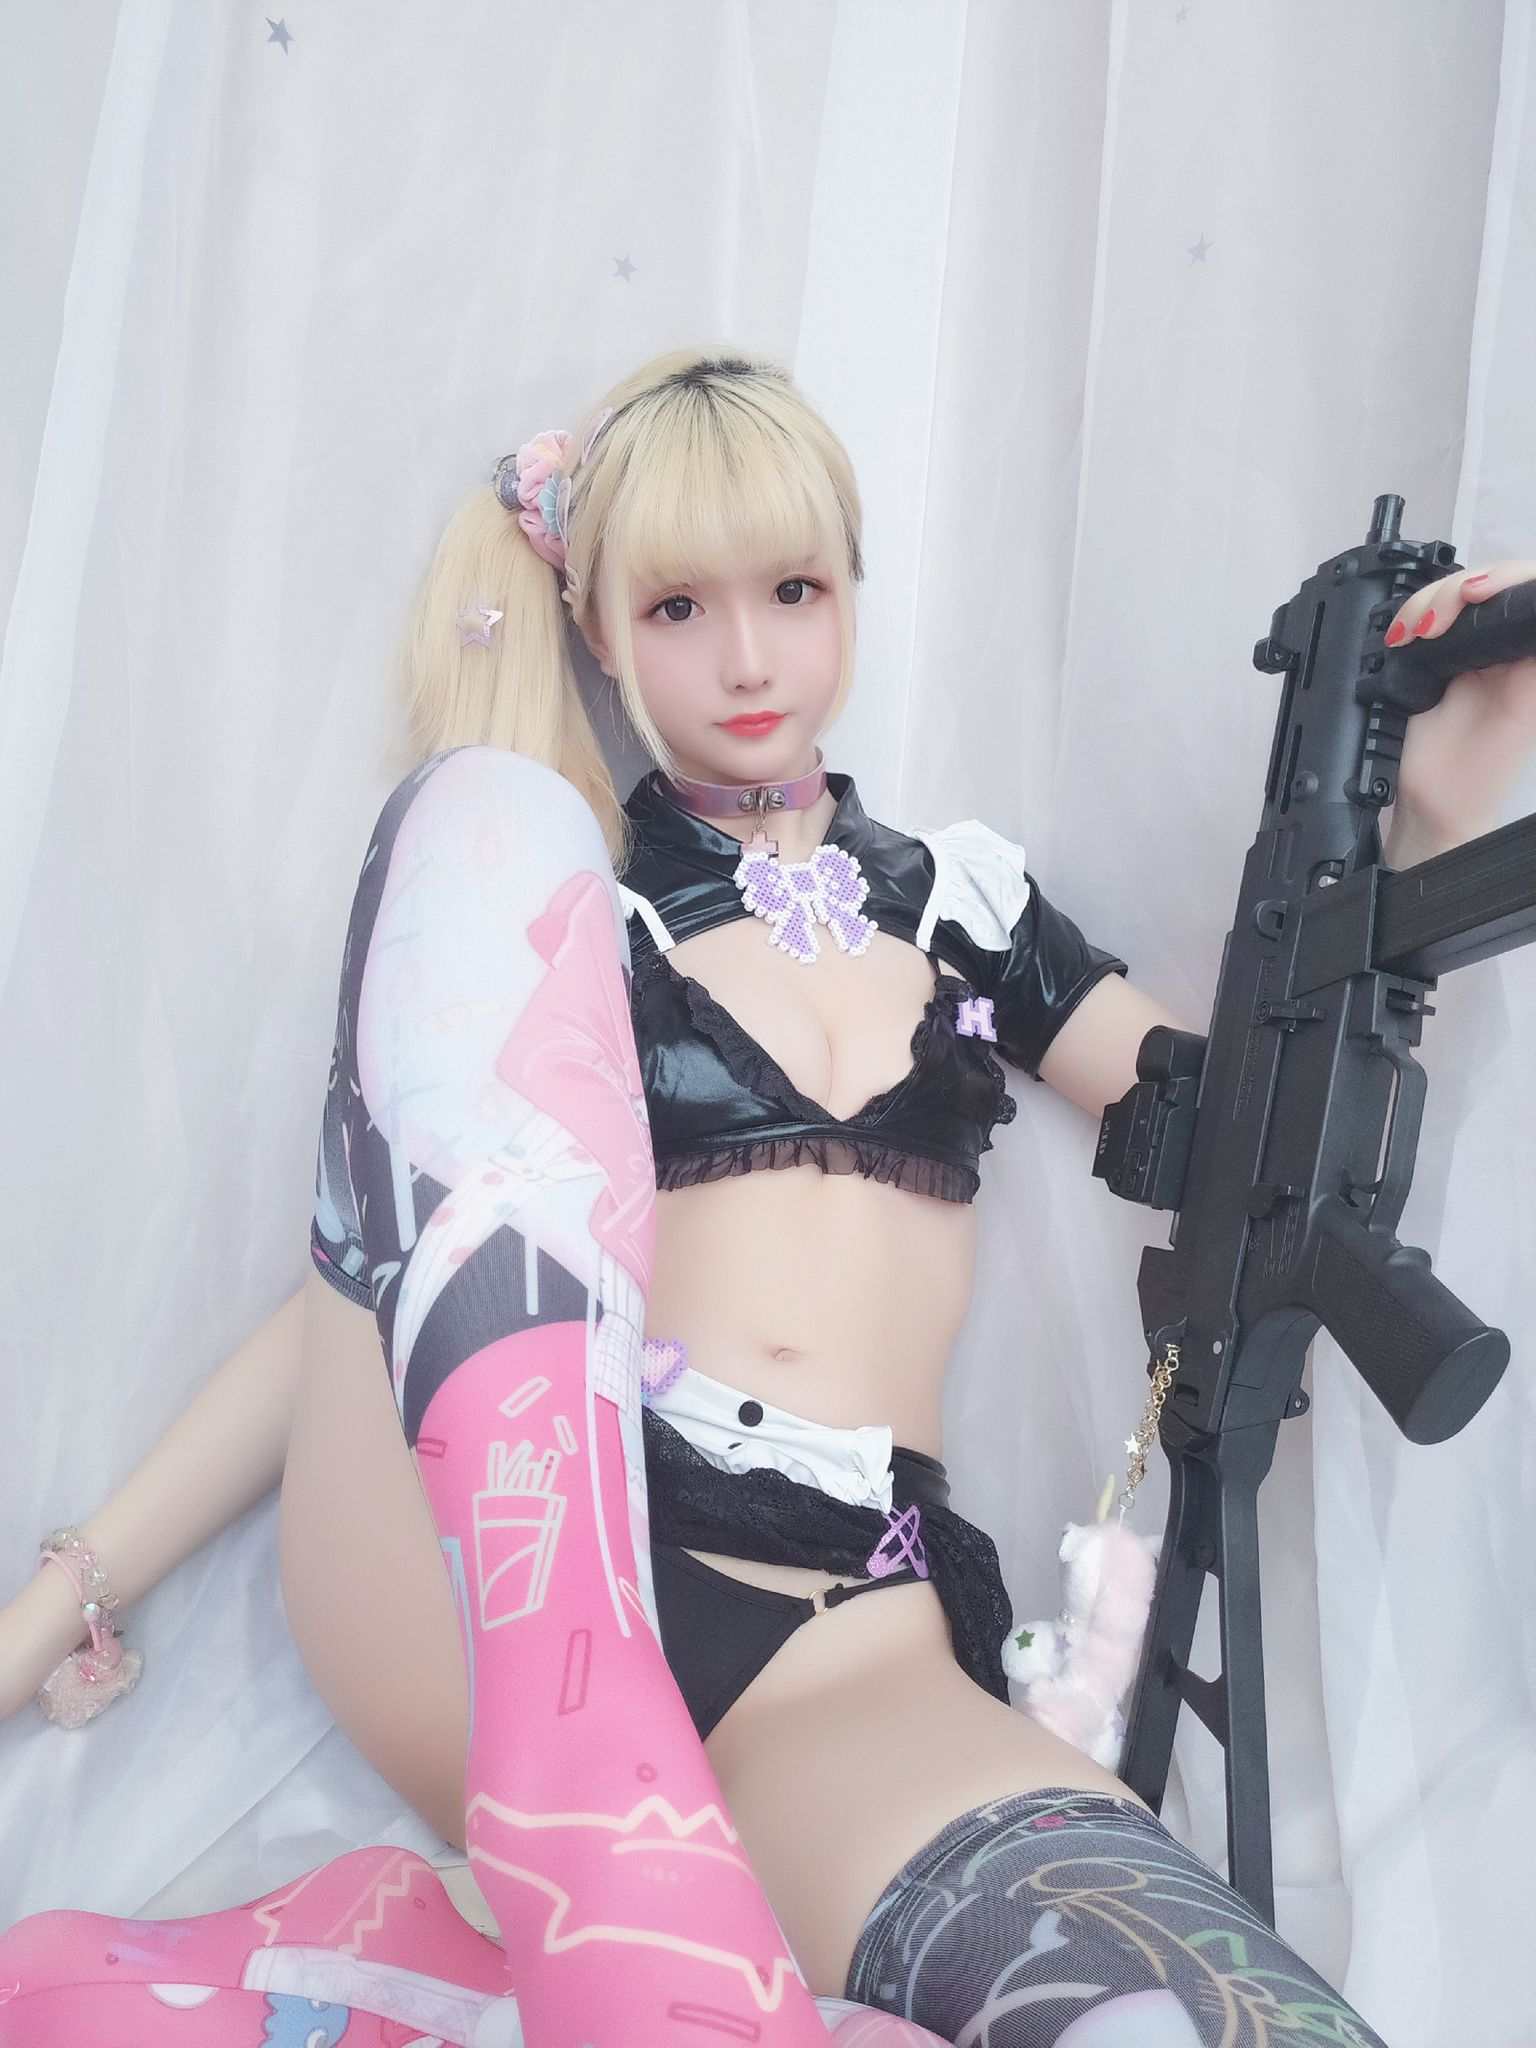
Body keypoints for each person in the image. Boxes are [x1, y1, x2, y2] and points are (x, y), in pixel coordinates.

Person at [11, 343, 1523, 2045]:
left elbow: (1234, 1122)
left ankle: (482, 1947)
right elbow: (362, 1293)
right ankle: (574, 1760)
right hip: (529, 1567)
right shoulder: (571, 908)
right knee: (487, 828)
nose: (745, 658)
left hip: (835, 1641)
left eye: (792, 590)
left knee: (1203, 2016)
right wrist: (60, 1602)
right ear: (599, 631)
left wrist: (1427, 817)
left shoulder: (961, 904)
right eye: (678, 608)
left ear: (853, 588)